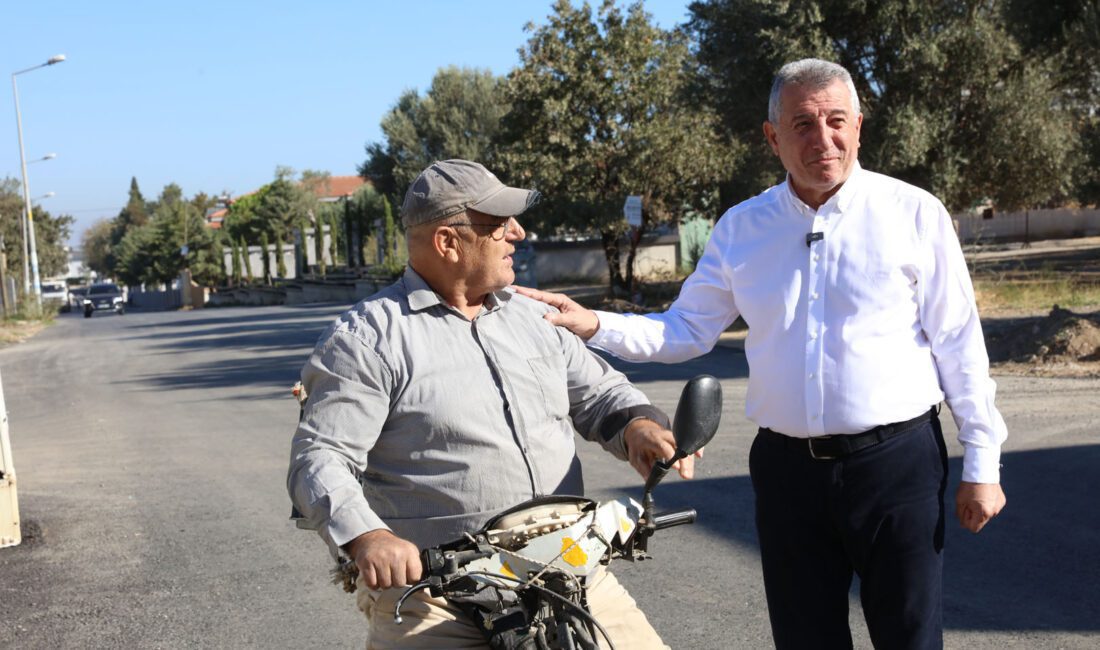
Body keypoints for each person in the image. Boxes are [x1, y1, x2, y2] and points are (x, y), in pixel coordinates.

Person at [515, 59, 1007, 649]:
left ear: (859, 128)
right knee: (804, 638)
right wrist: (593, 323)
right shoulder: (742, 228)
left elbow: (959, 344)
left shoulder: (914, 214)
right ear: (773, 137)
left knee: (909, 636)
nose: (822, 139)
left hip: (896, 466)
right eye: (802, 124)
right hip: (787, 474)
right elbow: (686, 331)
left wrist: (982, 463)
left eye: (836, 121)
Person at [287, 159, 691, 649]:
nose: (517, 233)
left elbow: (602, 395)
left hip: (567, 569)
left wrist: (639, 429)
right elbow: (320, 458)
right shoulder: (366, 341)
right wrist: (368, 537)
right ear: (447, 243)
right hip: (438, 595)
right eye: (498, 224)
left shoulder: (534, 316)